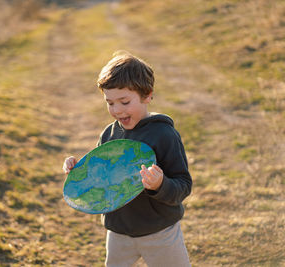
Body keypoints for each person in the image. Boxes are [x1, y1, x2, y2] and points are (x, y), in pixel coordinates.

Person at [63, 51, 192, 267]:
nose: (117, 110)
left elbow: (183, 185)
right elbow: (101, 175)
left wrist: (160, 184)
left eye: (124, 102)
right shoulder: (109, 134)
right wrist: (79, 170)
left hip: (159, 232)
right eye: (110, 103)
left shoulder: (164, 136)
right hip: (119, 232)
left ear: (147, 95)